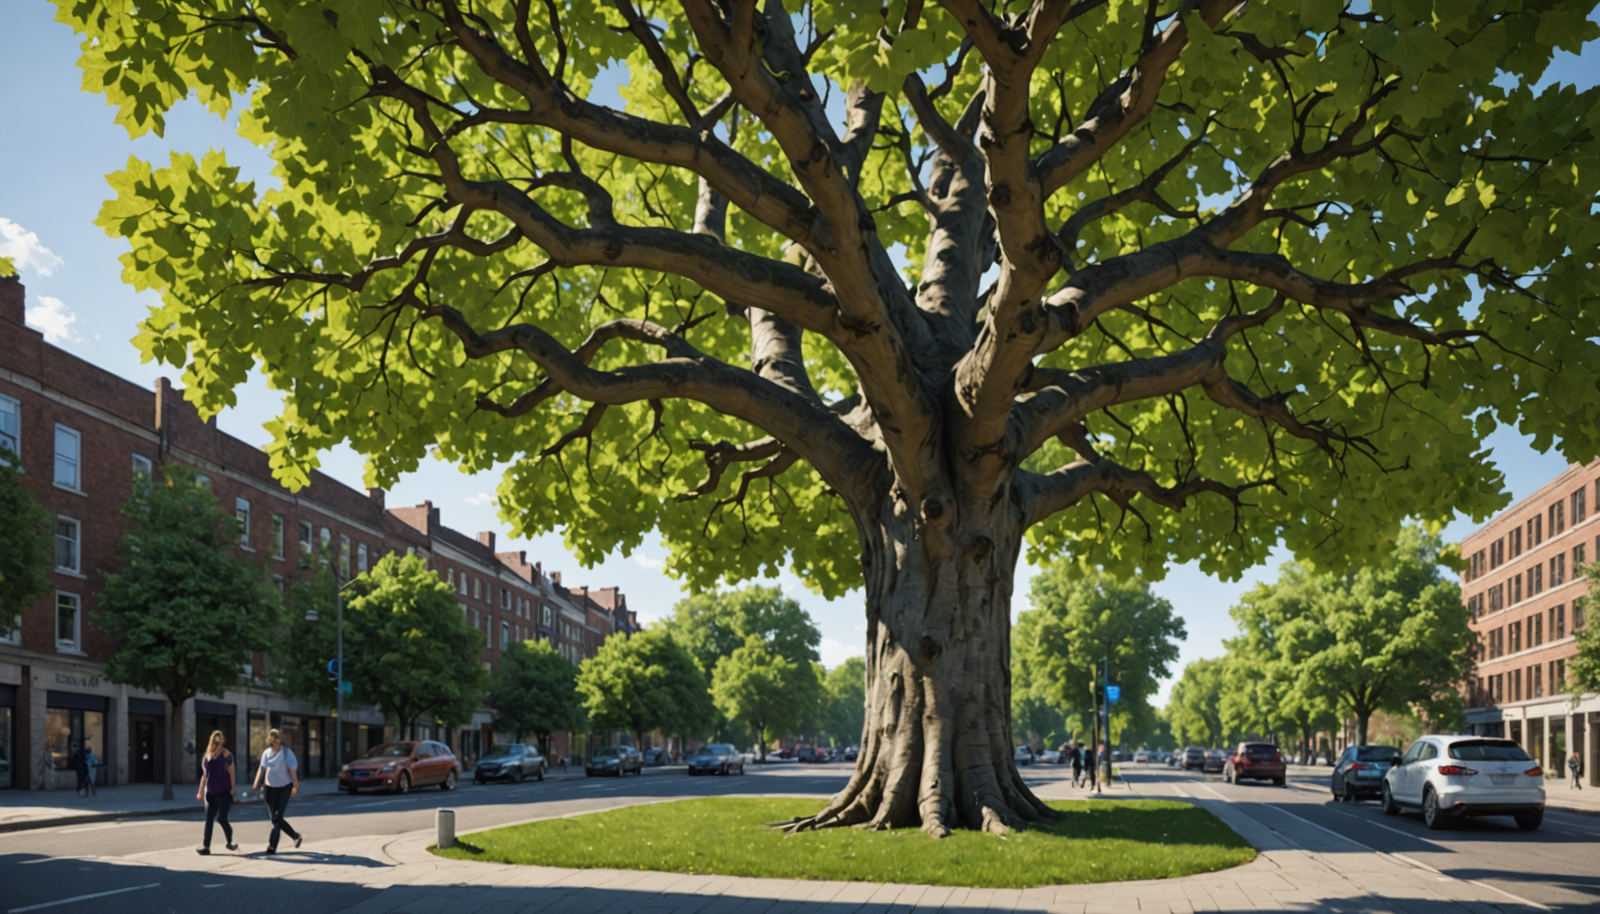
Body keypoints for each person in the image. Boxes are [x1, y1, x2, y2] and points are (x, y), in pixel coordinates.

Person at [252, 728, 302, 854]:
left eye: (276, 737)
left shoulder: (286, 753)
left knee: (277, 817)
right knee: (274, 819)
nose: (273, 739)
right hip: (270, 788)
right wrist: (256, 782)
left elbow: (291, 770)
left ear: (280, 740)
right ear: (269, 739)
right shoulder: (266, 753)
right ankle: (295, 836)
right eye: (272, 737)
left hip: (284, 787)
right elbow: (261, 768)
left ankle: (272, 846)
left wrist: (296, 785)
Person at [196, 730, 239, 854]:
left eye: (219, 739)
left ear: (222, 741)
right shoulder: (207, 756)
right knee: (209, 818)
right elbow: (204, 775)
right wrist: (200, 791)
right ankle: (206, 846)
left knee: (221, 818)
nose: (216, 742)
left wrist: (233, 792)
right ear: (211, 740)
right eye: (215, 739)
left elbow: (232, 774)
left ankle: (229, 842)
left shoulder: (226, 755)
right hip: (211, 792)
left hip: (225, 791)